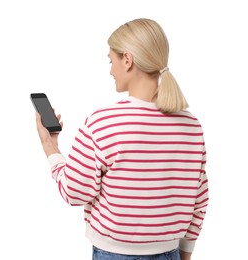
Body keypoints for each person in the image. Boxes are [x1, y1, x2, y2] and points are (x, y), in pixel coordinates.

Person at [35, 18, 208, 260]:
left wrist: (50, 147)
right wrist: (185, 254)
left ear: (127, 60)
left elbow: (74, 192)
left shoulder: (102, 122)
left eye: (111, 60)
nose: (110, 70)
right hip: (170, 253)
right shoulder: (192, 126)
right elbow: (199, 200)